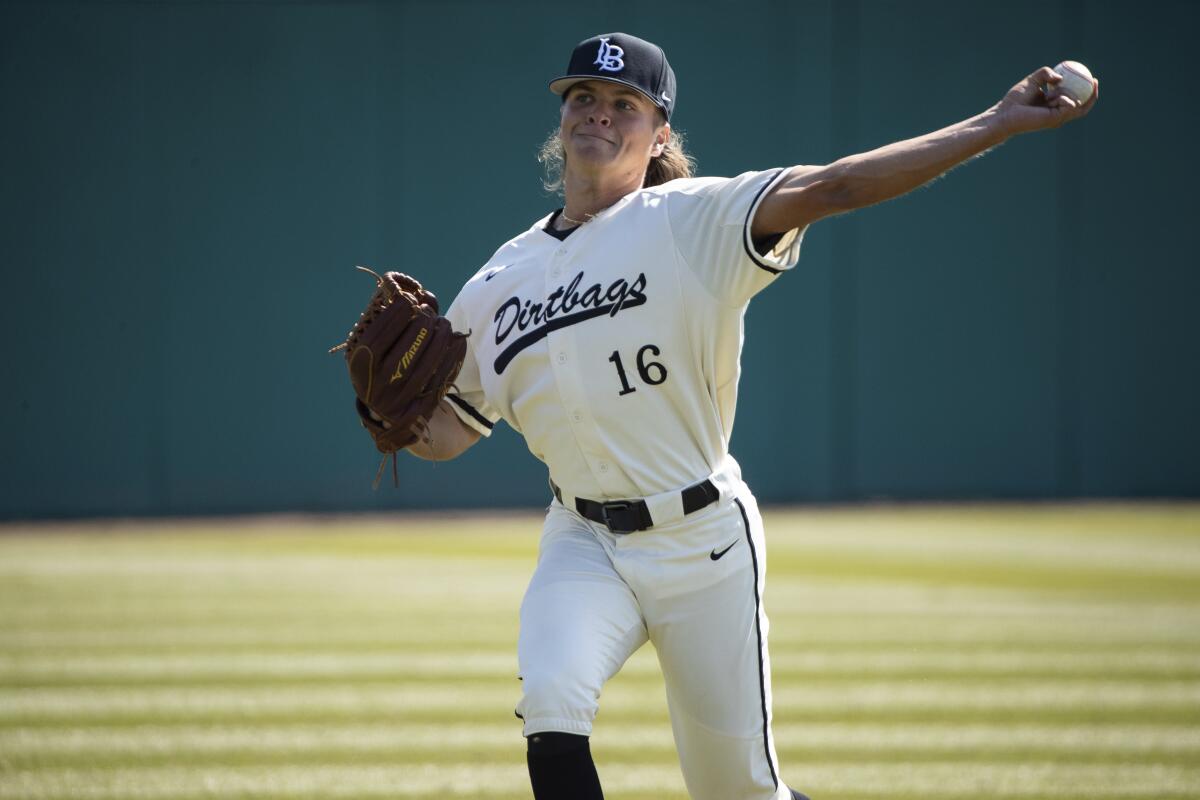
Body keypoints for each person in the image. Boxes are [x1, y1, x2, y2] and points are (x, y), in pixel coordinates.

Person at [404, 32, 1098, 800]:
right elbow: (451, 432)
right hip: (584, 541)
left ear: (660, 132)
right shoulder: (499, 280)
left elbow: (834, 186)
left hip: (702, 541)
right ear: (562, 117)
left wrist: (995, 122)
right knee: (551, 710)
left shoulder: (693, 221)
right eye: (583, 98)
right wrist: (387, 415)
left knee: (737, 791)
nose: (599, 114)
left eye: (624, 104)